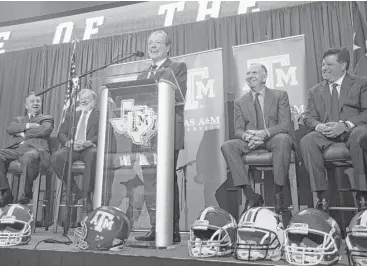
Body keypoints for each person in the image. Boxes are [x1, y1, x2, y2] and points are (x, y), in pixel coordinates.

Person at [134, 30, 187, 243]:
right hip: (145, 134)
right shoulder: (142, 75)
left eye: (158, 42)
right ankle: (155, 227)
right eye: (150, 43)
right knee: (149, 182)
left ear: (167, 47)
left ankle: (171, 229)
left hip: (166, 131)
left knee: (165, 179)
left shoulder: (177, 68)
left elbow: (179, 96)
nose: (153, 46)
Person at [300, 47, 367, 212]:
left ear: (343, 65)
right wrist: (319, 126)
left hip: (352, 130)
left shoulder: (361, 83)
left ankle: (362, 194)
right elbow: (308, 117)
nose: (324, 68)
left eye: (329, 64)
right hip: (326, 134)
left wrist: (345, 125)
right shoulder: (315, 91)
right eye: (323, 64)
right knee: (307, 140)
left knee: (360, 134)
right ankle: (322, 196)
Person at [221, 63, 293, 216]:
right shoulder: (240, 102)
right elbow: (238, 130)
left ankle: (279, 193)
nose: (250, 76)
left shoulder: (279, 95)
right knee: (228, 146)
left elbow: (285, 125)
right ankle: (251, 195)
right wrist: (249, 136)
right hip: (251, 141)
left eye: (254, 72)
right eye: (247, 73)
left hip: (273, 138)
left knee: (283, 139)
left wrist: (264, 134)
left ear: (264, 77)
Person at [0, 92, 54, 206]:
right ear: (26, 105)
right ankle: (5, 192)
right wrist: (29, 126)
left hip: (35, 149)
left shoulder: (47, 118)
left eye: (38, 101)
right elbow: (10, 129)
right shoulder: (19, 119)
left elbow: (43, 131)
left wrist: (23, 133)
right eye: (32, 101)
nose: (35, 103)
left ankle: (26, 194)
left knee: (29, 157)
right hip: (16, 149)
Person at [50, 89, 99, 213]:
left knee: (93, 155)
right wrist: (68, 142)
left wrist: (89, 142)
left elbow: (104, 133)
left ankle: (87, 196)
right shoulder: (72, 114)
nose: (83, 101)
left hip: (89, 148)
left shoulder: (100, 114)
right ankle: (75, 190)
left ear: (94, 101)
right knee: (56, 158)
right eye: (81, 98)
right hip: (72, 147)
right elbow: (61, 133)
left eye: (86, 98)